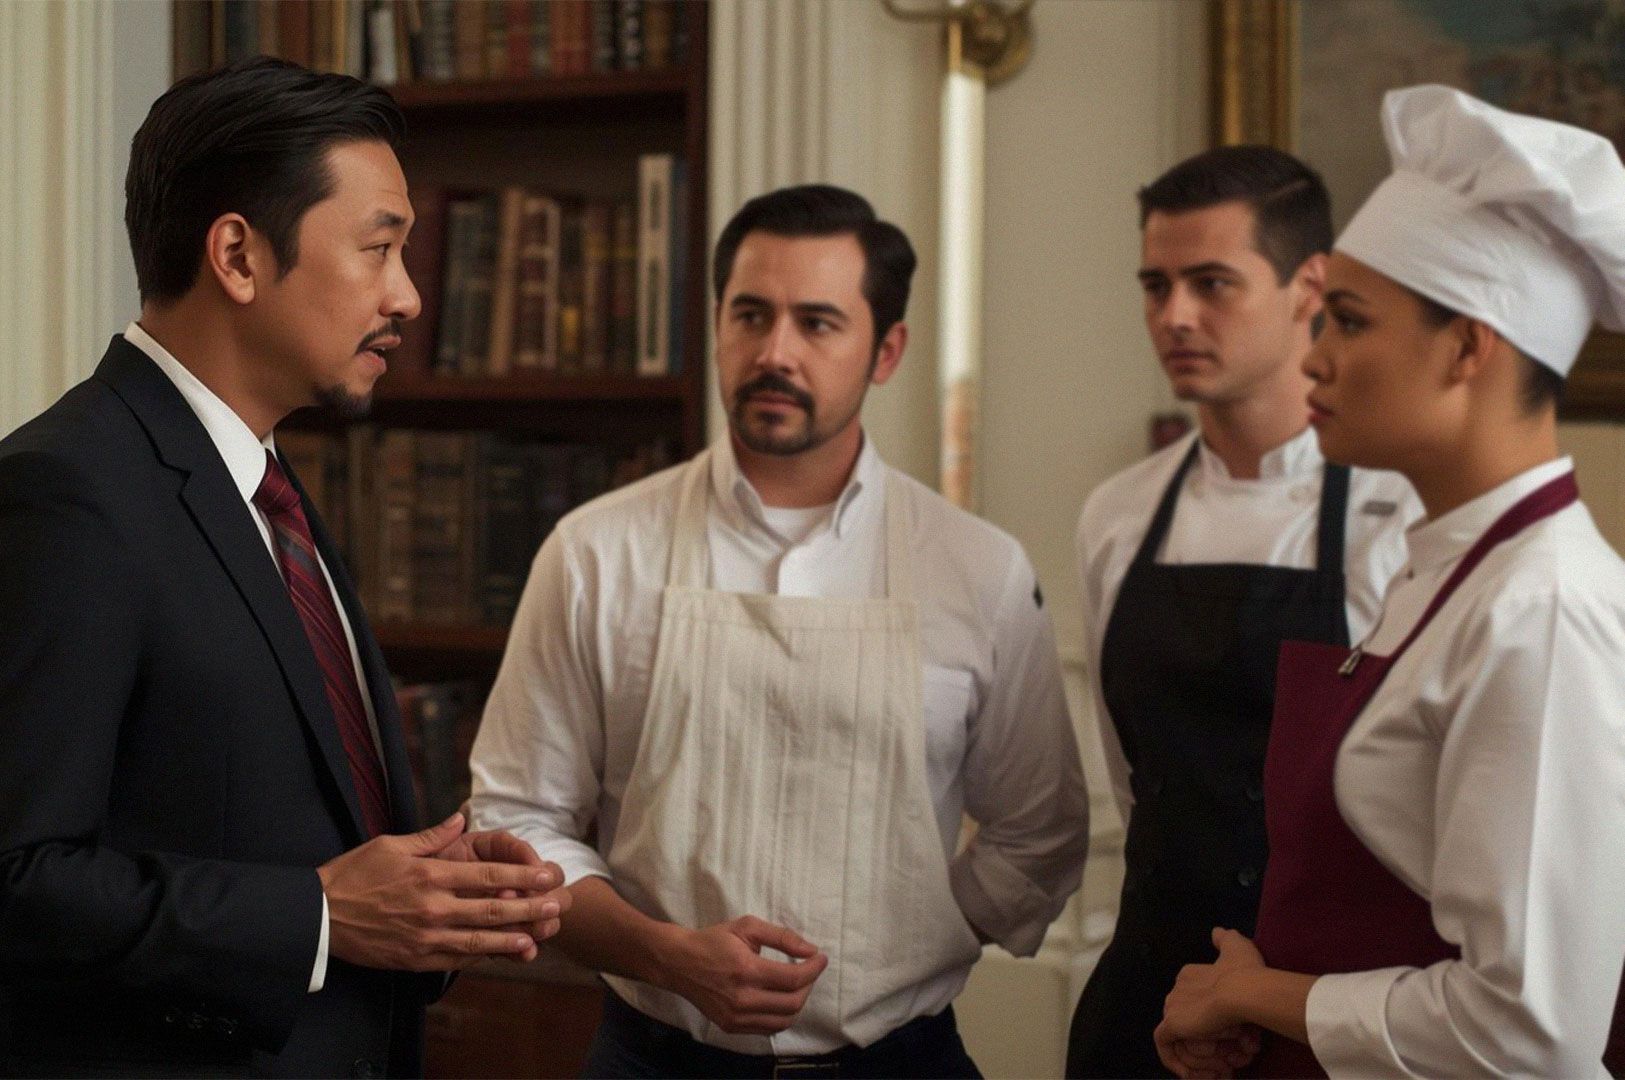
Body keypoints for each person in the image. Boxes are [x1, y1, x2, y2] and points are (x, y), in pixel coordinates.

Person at [0, 58, 571, 1078]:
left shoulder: (270, 483)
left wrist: (433, 897)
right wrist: (316, 915)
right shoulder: (64, 492)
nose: (408, 293)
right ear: (236, 254)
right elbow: (16, 876)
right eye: (379, 248)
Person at [469, 183, 1089, 1079]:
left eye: (818, 323)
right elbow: (518, 816)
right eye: (750, 315)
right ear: (715, 323)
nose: (775, 352)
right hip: (652, 1058)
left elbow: (1040, 833)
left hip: (899, 1062)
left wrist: (907, 939)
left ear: (887, 351)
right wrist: (662, 953)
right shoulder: (596, 552)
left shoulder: (978, 569)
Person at [1154, 85, 1625, 1079]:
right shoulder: (1449, 569)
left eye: (1348, 324)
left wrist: (1255, 995)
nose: (1311, 359)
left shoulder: (1538, 610)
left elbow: (1530, 1033)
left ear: (1466, 346)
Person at [1066, 147, 1419, 1077]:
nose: (1173, 315)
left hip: (1323, 1006)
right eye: (1155, 284)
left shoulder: (1399, 516)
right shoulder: (1116, 515)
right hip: (1145, 994)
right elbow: (1128, 776)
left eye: (1210, 283)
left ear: (1309, 286)